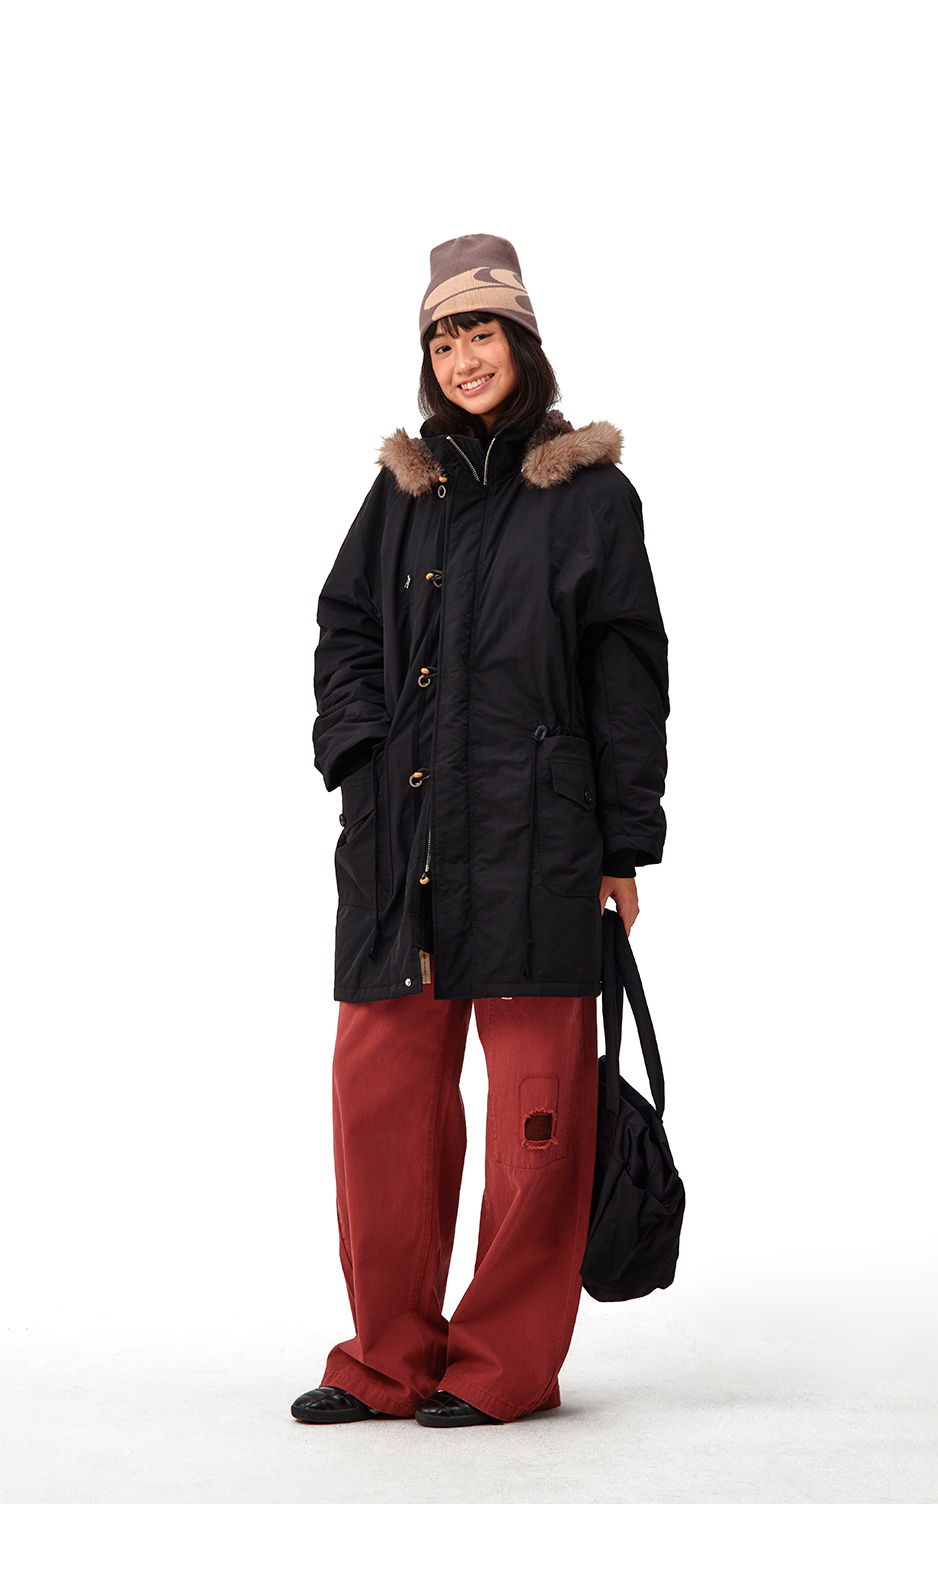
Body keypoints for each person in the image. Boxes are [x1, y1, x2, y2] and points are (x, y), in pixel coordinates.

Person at [292, 234, 669, 1428]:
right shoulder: (402, 494)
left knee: (534, 1121)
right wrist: (358, 754)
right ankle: (386, 1358)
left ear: (523, 341)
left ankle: (503, 1363)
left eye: (481, 332)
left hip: (538, 844)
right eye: (443, 339)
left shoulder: (590, 498)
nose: (462, 357)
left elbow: (627, 676)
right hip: (399, 842)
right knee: (381, 1104)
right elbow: (344, 627)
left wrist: (621, 845)